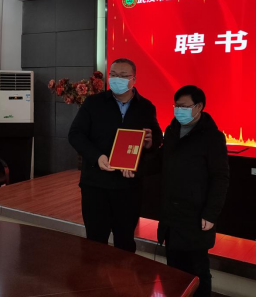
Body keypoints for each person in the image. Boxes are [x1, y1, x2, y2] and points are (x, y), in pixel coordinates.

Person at [68, 58, 163, 253]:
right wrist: (97, 157)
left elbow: (156, 140)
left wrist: (150, 142)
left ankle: (124, 274)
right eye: (113, 75)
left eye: (123, 76)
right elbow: (75, 134)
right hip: (96, 185)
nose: (116, 79)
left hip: (128, 187)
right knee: (95, 242)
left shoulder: (146, 107)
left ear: (133, 79)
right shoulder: (93, 103)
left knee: (125, 242)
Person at [157, 85, 230, 297]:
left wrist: (211, 213)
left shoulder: (213, 137)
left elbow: (220, 177)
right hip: (171, 215)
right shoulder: (171, 131)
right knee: (173, 269)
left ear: (199, 107)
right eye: (176, 106)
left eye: (184, 106)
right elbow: (162, 163)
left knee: (198, 270)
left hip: (196, 216)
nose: (178, 110)